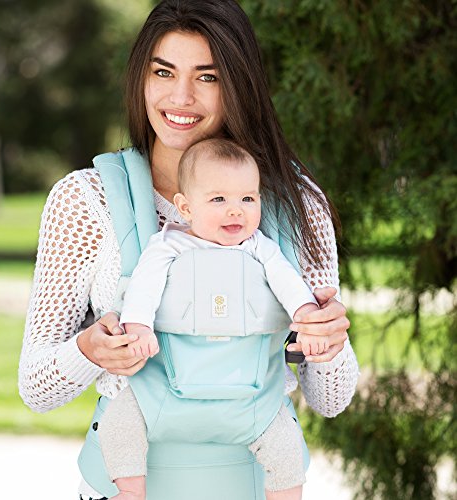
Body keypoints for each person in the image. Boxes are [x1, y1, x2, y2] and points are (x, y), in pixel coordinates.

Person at [18, 1, 359, 499]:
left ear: (239, 85)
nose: (180, 97)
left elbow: (331, 399)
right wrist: (89, 350)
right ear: (141, 78)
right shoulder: (86, 200)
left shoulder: (296, 204)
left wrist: (328, 343)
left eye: (208, 77)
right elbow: (37, 388)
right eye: (163, 72)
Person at [100, 138, 329, 500]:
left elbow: (289, 283)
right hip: (163, 389)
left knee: (286, 444)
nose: (236, 211)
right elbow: (143, 286)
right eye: (219, 199)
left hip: (251, 395)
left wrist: (307, 316)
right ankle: (130, 491)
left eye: (248, 199)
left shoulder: (260, 247)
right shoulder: (168, 245)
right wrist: (139, 326)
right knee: (119, 421)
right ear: (185, 207)